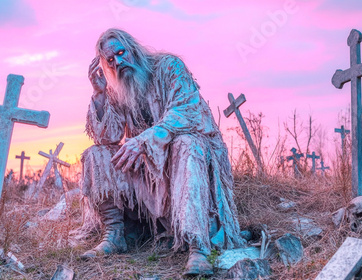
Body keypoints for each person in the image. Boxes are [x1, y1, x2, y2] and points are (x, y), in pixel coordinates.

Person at [80, 28, 245, 276]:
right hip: (149, 173)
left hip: (188, 163)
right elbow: (108, 137)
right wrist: (100, 93)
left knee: (187, 144)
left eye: (121, 53)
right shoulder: (119, 88)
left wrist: (144, 140)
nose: (119, 62)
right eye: (110, 61)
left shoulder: (169, 67)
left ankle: (198, 246)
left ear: (133, 48)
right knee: (97, 154)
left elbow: (186, 112)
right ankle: (115, 234)